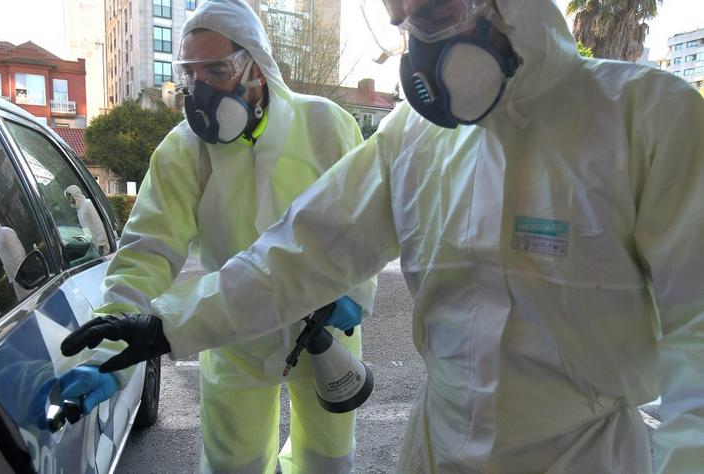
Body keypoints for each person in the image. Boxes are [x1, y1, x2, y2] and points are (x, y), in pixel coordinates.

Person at [62, 0, 704, 472]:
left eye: (435, 15)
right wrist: (167, 326)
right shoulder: (417, 139)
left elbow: (697, 334)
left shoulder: (646, 120)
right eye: (406, 24)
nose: (417, 48)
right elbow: (301, 250)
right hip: (436, 448)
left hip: (584, 456)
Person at [59, 0, 377, 473]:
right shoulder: (184, 153)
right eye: (191, 74)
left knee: (326, 462)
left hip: (324, 331)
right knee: (235, 467)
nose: (200, 89)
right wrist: (111, 355)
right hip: (234, 338)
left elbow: (366, 222)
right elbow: (146, 253)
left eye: (217, 69)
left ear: (257, 66)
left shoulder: (325, 126)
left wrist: (354, 292)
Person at [64, 184, 110, 256]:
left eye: (69, 197)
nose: (69, 200)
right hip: (95, 247)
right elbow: (88, 229)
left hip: (103, 248)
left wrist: (102, 244)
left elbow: (99, 223)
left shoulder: (88, 203)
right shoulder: (79, 209)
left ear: (74, 195)